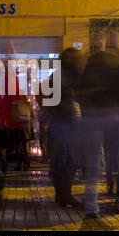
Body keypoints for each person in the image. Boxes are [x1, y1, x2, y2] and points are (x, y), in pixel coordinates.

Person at [79, 33, 119, 215]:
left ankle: (91, 202)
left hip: (96, 115)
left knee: (95, 156)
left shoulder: (95, 60)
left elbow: (83, 87)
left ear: (106, 44)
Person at [44, 48, 83, 208]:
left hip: (59, 121)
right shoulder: (75, 77)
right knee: (71, 160)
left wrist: (51, 112)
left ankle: (61, 194)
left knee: (58, 160)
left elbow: (46, 97)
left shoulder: (55, 76)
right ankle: (65, 194)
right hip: (69, 120)